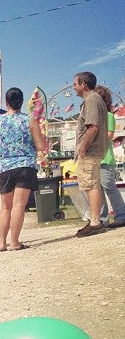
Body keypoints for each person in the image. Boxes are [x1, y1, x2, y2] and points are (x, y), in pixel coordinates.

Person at [0, 87, 46, 251]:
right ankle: (14, 242)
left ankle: (1, 242)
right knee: (19, 205)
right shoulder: (30, 120)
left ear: (6, 102)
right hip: (25, 166)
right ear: (22, 102)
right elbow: (40, 145)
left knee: (5, 206)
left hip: (5, 167)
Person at [73, 72, 108, 237]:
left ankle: (95, 222)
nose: (74, 87)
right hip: (94, 150)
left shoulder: (92, 100)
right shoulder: (94, 100)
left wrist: (83, 148)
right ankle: (96, 219)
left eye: (76, 84)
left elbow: (93, 126)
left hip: (90, 151)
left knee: (90, 185)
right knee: (92, 184)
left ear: (83, 85)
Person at [95, 85, 125, 228]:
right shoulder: (96, 117)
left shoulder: (108, 116)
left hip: (105, 157)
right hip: (95, 158)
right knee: (98, 189)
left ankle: (121, 215)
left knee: (109, 187)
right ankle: (103, 218)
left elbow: (109, 136)